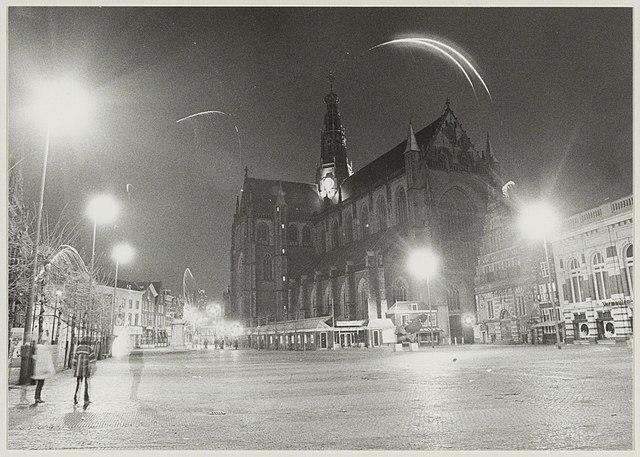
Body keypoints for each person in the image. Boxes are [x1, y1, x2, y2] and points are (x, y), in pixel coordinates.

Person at [72, 337, 96, 408]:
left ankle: (76, 399)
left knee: (78, 385)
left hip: (79, 370)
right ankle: (86, 400)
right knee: (87, 385)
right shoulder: (90, 349)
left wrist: (75, 368)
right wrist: (92, 370)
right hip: (86, 370)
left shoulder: (77, 348)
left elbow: (74, 360)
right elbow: (92, 361)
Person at [31, 339, 55, 404]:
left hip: (38, 370)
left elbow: (35, 358)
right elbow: (47, 361)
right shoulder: (44, 350)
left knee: (39, 384)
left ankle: (37, 398)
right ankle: (37, 398)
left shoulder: (38, 350)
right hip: (42, 371)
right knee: (40, 384)